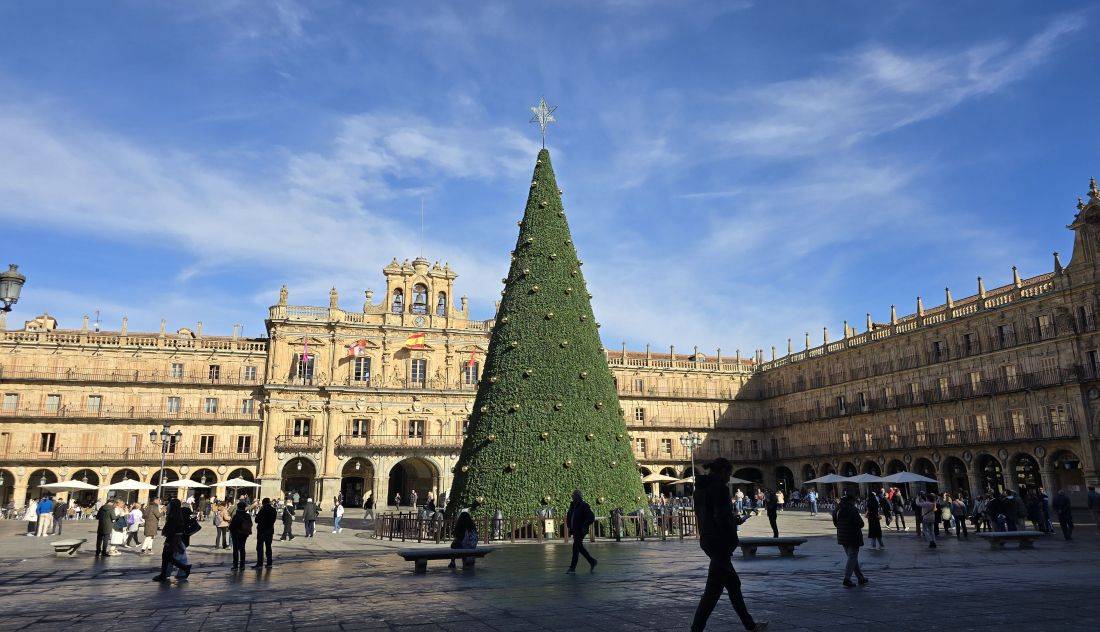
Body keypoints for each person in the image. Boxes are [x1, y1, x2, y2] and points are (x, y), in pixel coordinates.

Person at [690, 458, 766, 632]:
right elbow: (721, 516)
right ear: (722, 471)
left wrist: (731, 520)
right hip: (720, 542)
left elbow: (707, 515)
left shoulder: (699, 489)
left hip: (707, 539)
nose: (729, 477)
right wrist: (731, 534)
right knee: (712, 592)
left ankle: (750, 625)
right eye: (729, 474)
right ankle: (696, 629)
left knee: (733, 584)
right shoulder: (719, 488)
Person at [153, 499, 192, 582]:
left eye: (170, 504)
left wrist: (167, 534)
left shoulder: (173, 516)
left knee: (166, 556)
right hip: (173, 538)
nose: (168, 506)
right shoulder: (177, 514)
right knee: (167, 557)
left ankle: (182, 568)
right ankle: (166, 573)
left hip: (172, 539)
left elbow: (171, 529)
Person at [833, 494, 868, 587]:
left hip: (842, 536)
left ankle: (860, 578)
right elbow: (861, 524)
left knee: (852, 557)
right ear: (851, 501)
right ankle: (847, 579)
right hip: (853, 536)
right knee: (852, 557)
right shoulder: (852, 509)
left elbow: (835, 523)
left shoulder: (837, 509)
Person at [565, 489, 597, 573]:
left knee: (576, 547)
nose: (572, 497)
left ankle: (572, 567)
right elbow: (570, 516)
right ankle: (592, 561)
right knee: (579, 547)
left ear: (578, 496)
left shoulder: (584, 505)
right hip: (575, 529)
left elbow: (591, 517)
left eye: (574, 495)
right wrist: (569, 526)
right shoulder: (572, 506)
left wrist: (584, 525)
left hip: (580, 530)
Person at [228, 500, 253, 571]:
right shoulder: (247, 515)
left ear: (238, 507)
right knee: (242, 549)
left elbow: (232, 526)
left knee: (235, 550)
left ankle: (235, 566)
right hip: (244, 534)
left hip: (236, 534)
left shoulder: (236, 516)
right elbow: (251, 524)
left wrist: (230, 528)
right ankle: (242, 565)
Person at [254, 498, 277, 569]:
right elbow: (273, 520)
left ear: (263, 503)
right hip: (270, 530)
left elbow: (256, 520)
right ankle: (269, 563)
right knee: (268, 547)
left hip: (262, 531)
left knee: (260, 547)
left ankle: (260, 564)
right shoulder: (273, 510)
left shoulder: (262, 510)